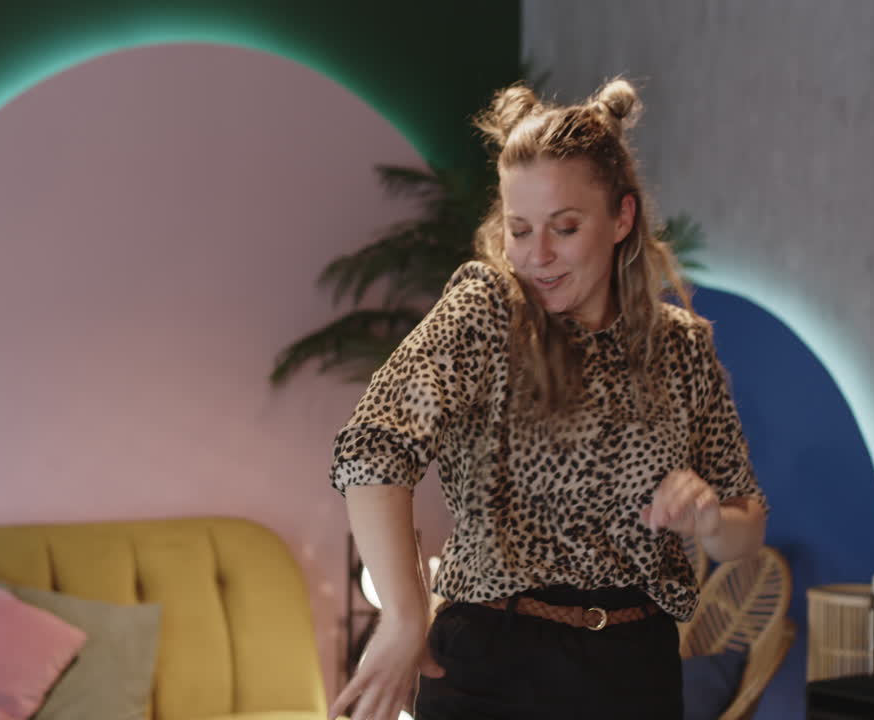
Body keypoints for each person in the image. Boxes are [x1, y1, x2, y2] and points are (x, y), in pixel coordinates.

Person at [327, 78, 769, 720]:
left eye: (564, 228)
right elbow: (373, 451)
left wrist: (706, 521)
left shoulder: (681, 347)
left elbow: (745, 527)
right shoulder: (485, 313)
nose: (537, 256)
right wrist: (401, 616)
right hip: (493, 666)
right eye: (519, 228)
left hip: (636, 672)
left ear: (622, 218)